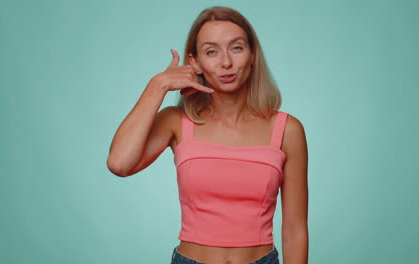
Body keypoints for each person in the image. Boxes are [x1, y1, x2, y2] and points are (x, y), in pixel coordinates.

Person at [107, 6, 308, 264]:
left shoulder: (287, 129)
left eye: (236, 48)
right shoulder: (176, 121)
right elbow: (119, 163)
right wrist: (159, 84)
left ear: (253, 54)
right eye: (211, 52)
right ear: (195, 62)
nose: (226, 62)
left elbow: (295, 231)